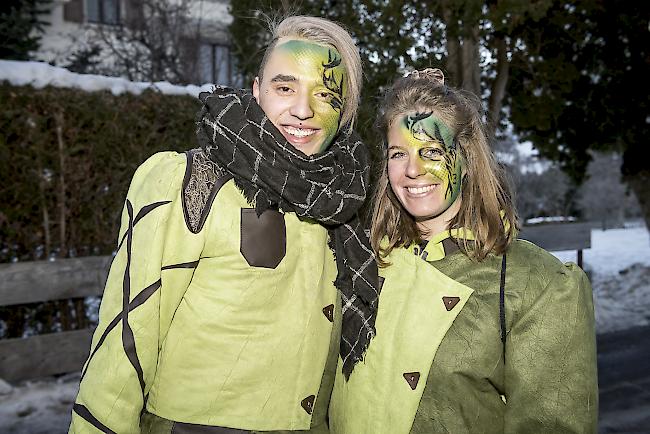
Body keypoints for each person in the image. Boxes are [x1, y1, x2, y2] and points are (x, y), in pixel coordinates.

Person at [69, 15, 380, 434]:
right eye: (284, 88)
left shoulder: (347, 203)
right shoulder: (189, 180)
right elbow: (124, 340)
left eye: (325, 94)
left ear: (344, 112)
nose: (303, 110)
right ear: (257, 91)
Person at [329, 69, 598, 433]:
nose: (412, 169)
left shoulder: (539, 284)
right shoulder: (359, 262)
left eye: (432, 151)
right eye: (398, 153)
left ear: (467, 159)